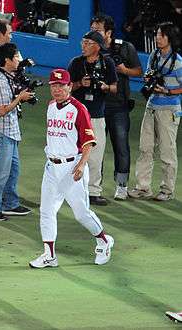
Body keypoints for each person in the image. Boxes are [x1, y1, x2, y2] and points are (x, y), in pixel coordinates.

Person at [29, 69, 114, 268]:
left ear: (69, 86)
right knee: (47, 210)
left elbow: (88, 141)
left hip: (72, 167)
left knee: (81, 212)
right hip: (51, 167)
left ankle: (103, 240)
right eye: (53, 85)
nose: (57, 89)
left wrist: (82, 164)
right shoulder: (50, 106)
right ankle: (49, 255)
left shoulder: (78, 109)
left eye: (61, 85)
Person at [129, 22, 182, 201]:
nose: (158, 37)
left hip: (169, 109)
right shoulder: (154, 55)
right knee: (145, 148)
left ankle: (167, 190)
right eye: (157, 34)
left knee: (167, 151)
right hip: (151, 106)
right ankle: (143, 187)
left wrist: (167, 91)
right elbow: (149, 75)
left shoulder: (178, 62)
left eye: (162, 35)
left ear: (170, 38)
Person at [91, 14, 142, 200]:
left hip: (119, 106)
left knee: (121, 147)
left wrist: (124, 70)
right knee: (95, 149)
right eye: (92, 29)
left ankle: (121, 185)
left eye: (97, 30)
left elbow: (138, 71)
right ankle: (94, 186)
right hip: (96, 106)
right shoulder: (91, 49)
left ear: (108, 32)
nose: (93, 34)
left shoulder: (125, 48)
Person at [0, 43, 33, 221]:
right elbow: (3, 110)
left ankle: (10, 204)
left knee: (13, 170)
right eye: (17, 56)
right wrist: (20, 98)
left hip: (11, 131)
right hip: (1, 133)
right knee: (0, 173)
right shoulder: (0, 81)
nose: (19, 59)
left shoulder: (7, 75)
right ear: (7, 60)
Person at [68, 31, 117, 206]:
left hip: (96, 115)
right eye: (83, 42)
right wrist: (81, 83)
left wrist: (104, 86)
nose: (83, 46)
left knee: (96, 155)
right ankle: (70, 188)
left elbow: (114, 88)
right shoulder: (76, 63)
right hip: (76, 117)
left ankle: (93, 191)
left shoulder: (107, 63)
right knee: (72, 153)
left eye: (87, 43)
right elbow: (66, 87)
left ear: (97, 46)